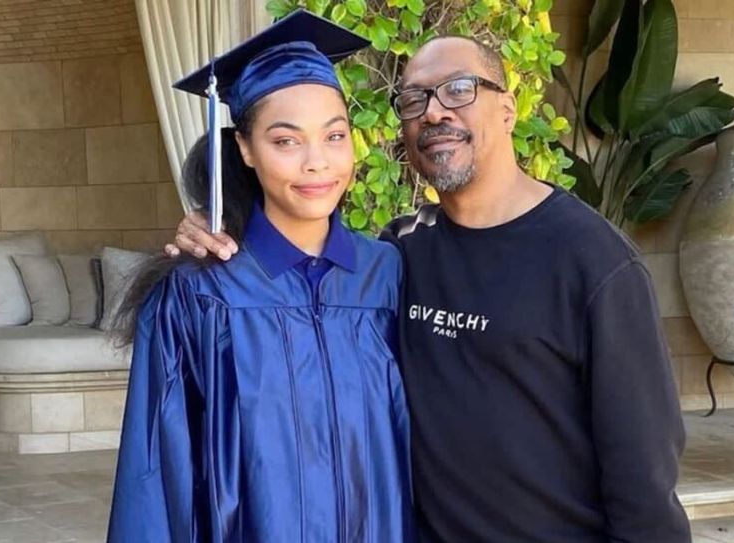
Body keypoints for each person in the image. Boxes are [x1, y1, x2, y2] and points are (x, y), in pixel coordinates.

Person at [169, 34, 691, 543]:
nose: (435, 112)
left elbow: (643, 476)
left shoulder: (593, 262)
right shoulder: (397, 256)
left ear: (508, 109)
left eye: (460, 88)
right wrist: (220, 229)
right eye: (414, 98)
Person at [108, 10, 413, 543]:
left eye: (335, 135)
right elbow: (157, 472)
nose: (317, 163)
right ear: (245, 149)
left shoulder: (388, 274)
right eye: (286, 141)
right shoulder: (199, 293)